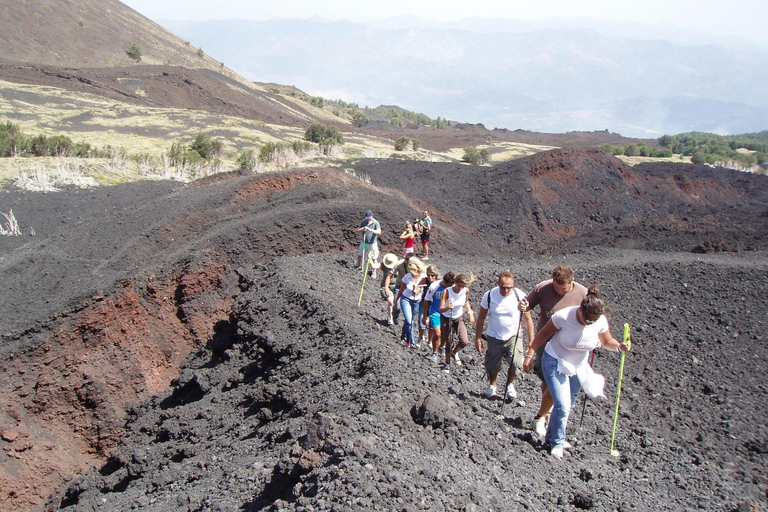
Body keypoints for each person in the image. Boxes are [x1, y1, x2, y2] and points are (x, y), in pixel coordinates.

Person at [523, 284, 629, 459]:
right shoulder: (563, 317)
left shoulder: (599, 320)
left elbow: (607, 340)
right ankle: (556, 443)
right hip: (555, 360)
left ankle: (552, 436)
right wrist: (530, 355)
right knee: (562, 405)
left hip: (578, 366)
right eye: (587, 320)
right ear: (580, 309)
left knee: (568, 405)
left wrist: (618, 347)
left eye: (593, 321)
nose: (590, 323)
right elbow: (542, 335)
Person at [519, 265, 588, 437]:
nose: (558, 291)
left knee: (556, 381)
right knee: (547, 379)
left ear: (572, 282)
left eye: (562, 289)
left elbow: (591, 316)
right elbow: (528, 305)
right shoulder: (543, 288)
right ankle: (547, 412)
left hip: (570, 346)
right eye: (556, 287)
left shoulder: (582, 293)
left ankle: (545, 415)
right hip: (546, 341)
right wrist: (523, 305)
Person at [474, 272, 535, 399]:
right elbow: (481, 317)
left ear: (513, 286)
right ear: (498, 284)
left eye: (509, 287)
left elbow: (528, 319)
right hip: (494, 336)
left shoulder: (520, 296)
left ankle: (510, 384)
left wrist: (531, 340)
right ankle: (492, 386)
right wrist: (478, 338)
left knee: (516, 362)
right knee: (492, 364)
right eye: (503, 287)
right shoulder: (490, 295)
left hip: (514, 335)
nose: (506, 290)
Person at [439, 273, 476, 371]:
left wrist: (470, 313)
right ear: (454, 283)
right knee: (449, 341)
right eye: (459, 285)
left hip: (458, 318)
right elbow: (441, 309)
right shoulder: (447, 292)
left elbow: (466, 301)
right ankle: (447, 363)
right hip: (447, 318)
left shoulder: (465, 291)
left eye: (463, 286)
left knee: (464, 341)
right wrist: (448, 307)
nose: (461, 288)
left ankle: (454, 353)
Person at [394, 256, 427, 348]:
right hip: (406, 299)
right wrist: (396, 300)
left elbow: (418, 291)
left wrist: (416, 289)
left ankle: (403, 335)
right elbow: (401, 289)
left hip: (417, 301)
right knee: (409, 321)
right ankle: (410, 341)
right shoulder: (407, 277)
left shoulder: (423, 277)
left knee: (409, 321)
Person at [422, 270, 455, 363]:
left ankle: (442, 347)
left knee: (445, 333)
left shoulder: (452, 288)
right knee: (437, 333)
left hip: (446, 313)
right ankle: (434, 352)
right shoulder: (434, 286)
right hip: (435, 312)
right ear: (445, 282)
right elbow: (426, 301)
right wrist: (425, 316)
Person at [380, 253, 404, 326]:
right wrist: (371, 261)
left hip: (396, 286)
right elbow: (375, 265)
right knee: (391, 302)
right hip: (386, 286)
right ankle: (390, 317)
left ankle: (394, 316)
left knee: (396, 303)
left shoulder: (398, 266)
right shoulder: (383, 266)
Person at [356, 210, 381, 275]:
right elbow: (357, 230)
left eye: (369, 218)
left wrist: (371, 230)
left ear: (372, 216)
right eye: (367, 218)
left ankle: (374, 271)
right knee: (360, 254)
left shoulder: (376, 223)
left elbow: (379, 232)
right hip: (364, 242)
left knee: (374, 257)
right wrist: (362, 229)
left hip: (372, 243)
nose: (368, 219)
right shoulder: (364, 222)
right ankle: (359, 266)